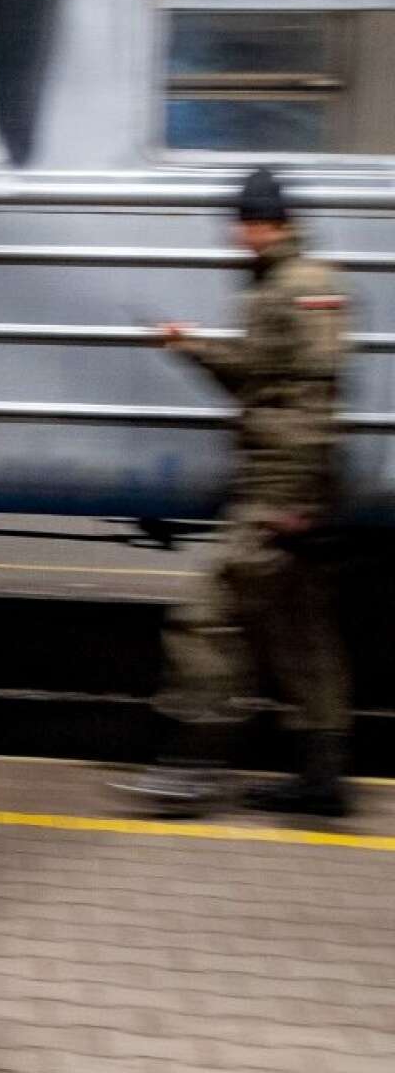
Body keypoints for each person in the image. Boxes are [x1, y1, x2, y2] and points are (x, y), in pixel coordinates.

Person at [115, 168, 354, 818]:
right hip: (297, 486)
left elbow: (303, 397)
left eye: (238, 219)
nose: (230, 231)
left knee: (206, 618)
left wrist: (293, 502)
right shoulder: (300, 283)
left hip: (278, 490)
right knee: (301, 629)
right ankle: (324, 780)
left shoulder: (291, 289)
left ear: (262, 221)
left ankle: (190, 764)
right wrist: (189, 343)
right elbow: (270, 380)